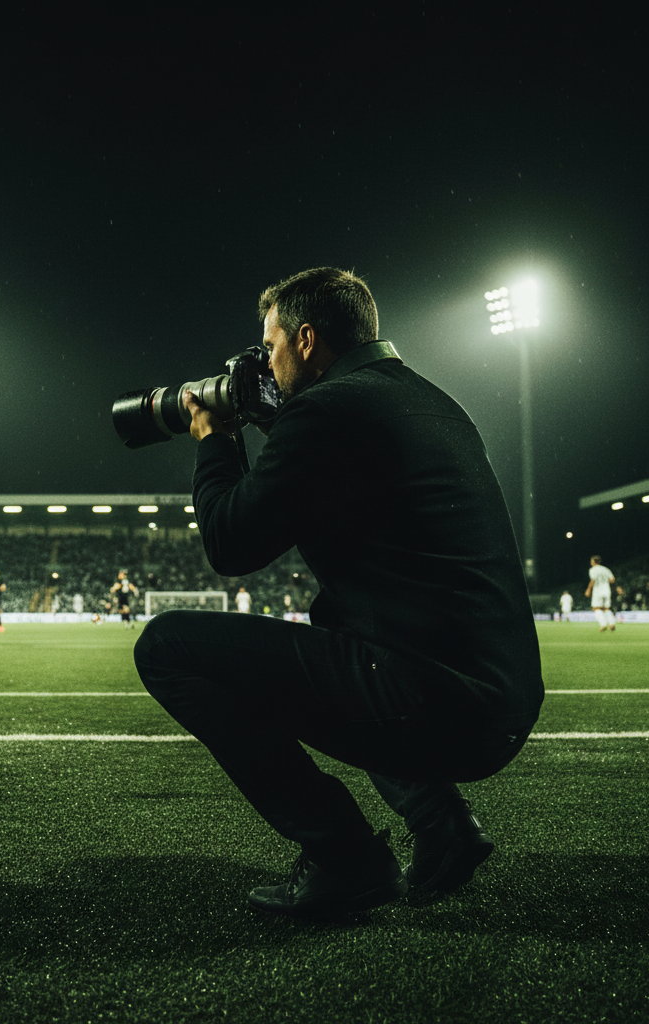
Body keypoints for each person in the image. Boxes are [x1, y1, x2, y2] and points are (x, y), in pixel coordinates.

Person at [133, 267, 544, 919]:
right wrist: (278, 424)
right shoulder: (426, 399)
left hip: (435, 705)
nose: (263, 365)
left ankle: (347, 860)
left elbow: (230, 544)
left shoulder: (328, 410)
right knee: (339, 625)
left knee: (167, 647)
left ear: (304, 340)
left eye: (268, 348)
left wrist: (215, 437)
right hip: (503, 701)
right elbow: (332, 485)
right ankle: (441, 825)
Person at [584, 555, 616, 632]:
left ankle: (603, 624)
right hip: (607, 591)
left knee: (596, 608)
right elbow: (612, 580)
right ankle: (611, 623)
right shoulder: (605, 569)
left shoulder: (593, 570)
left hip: (598, 591)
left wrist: (588, 590)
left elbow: (593, 580)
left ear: (593, 562)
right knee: (606, 608)